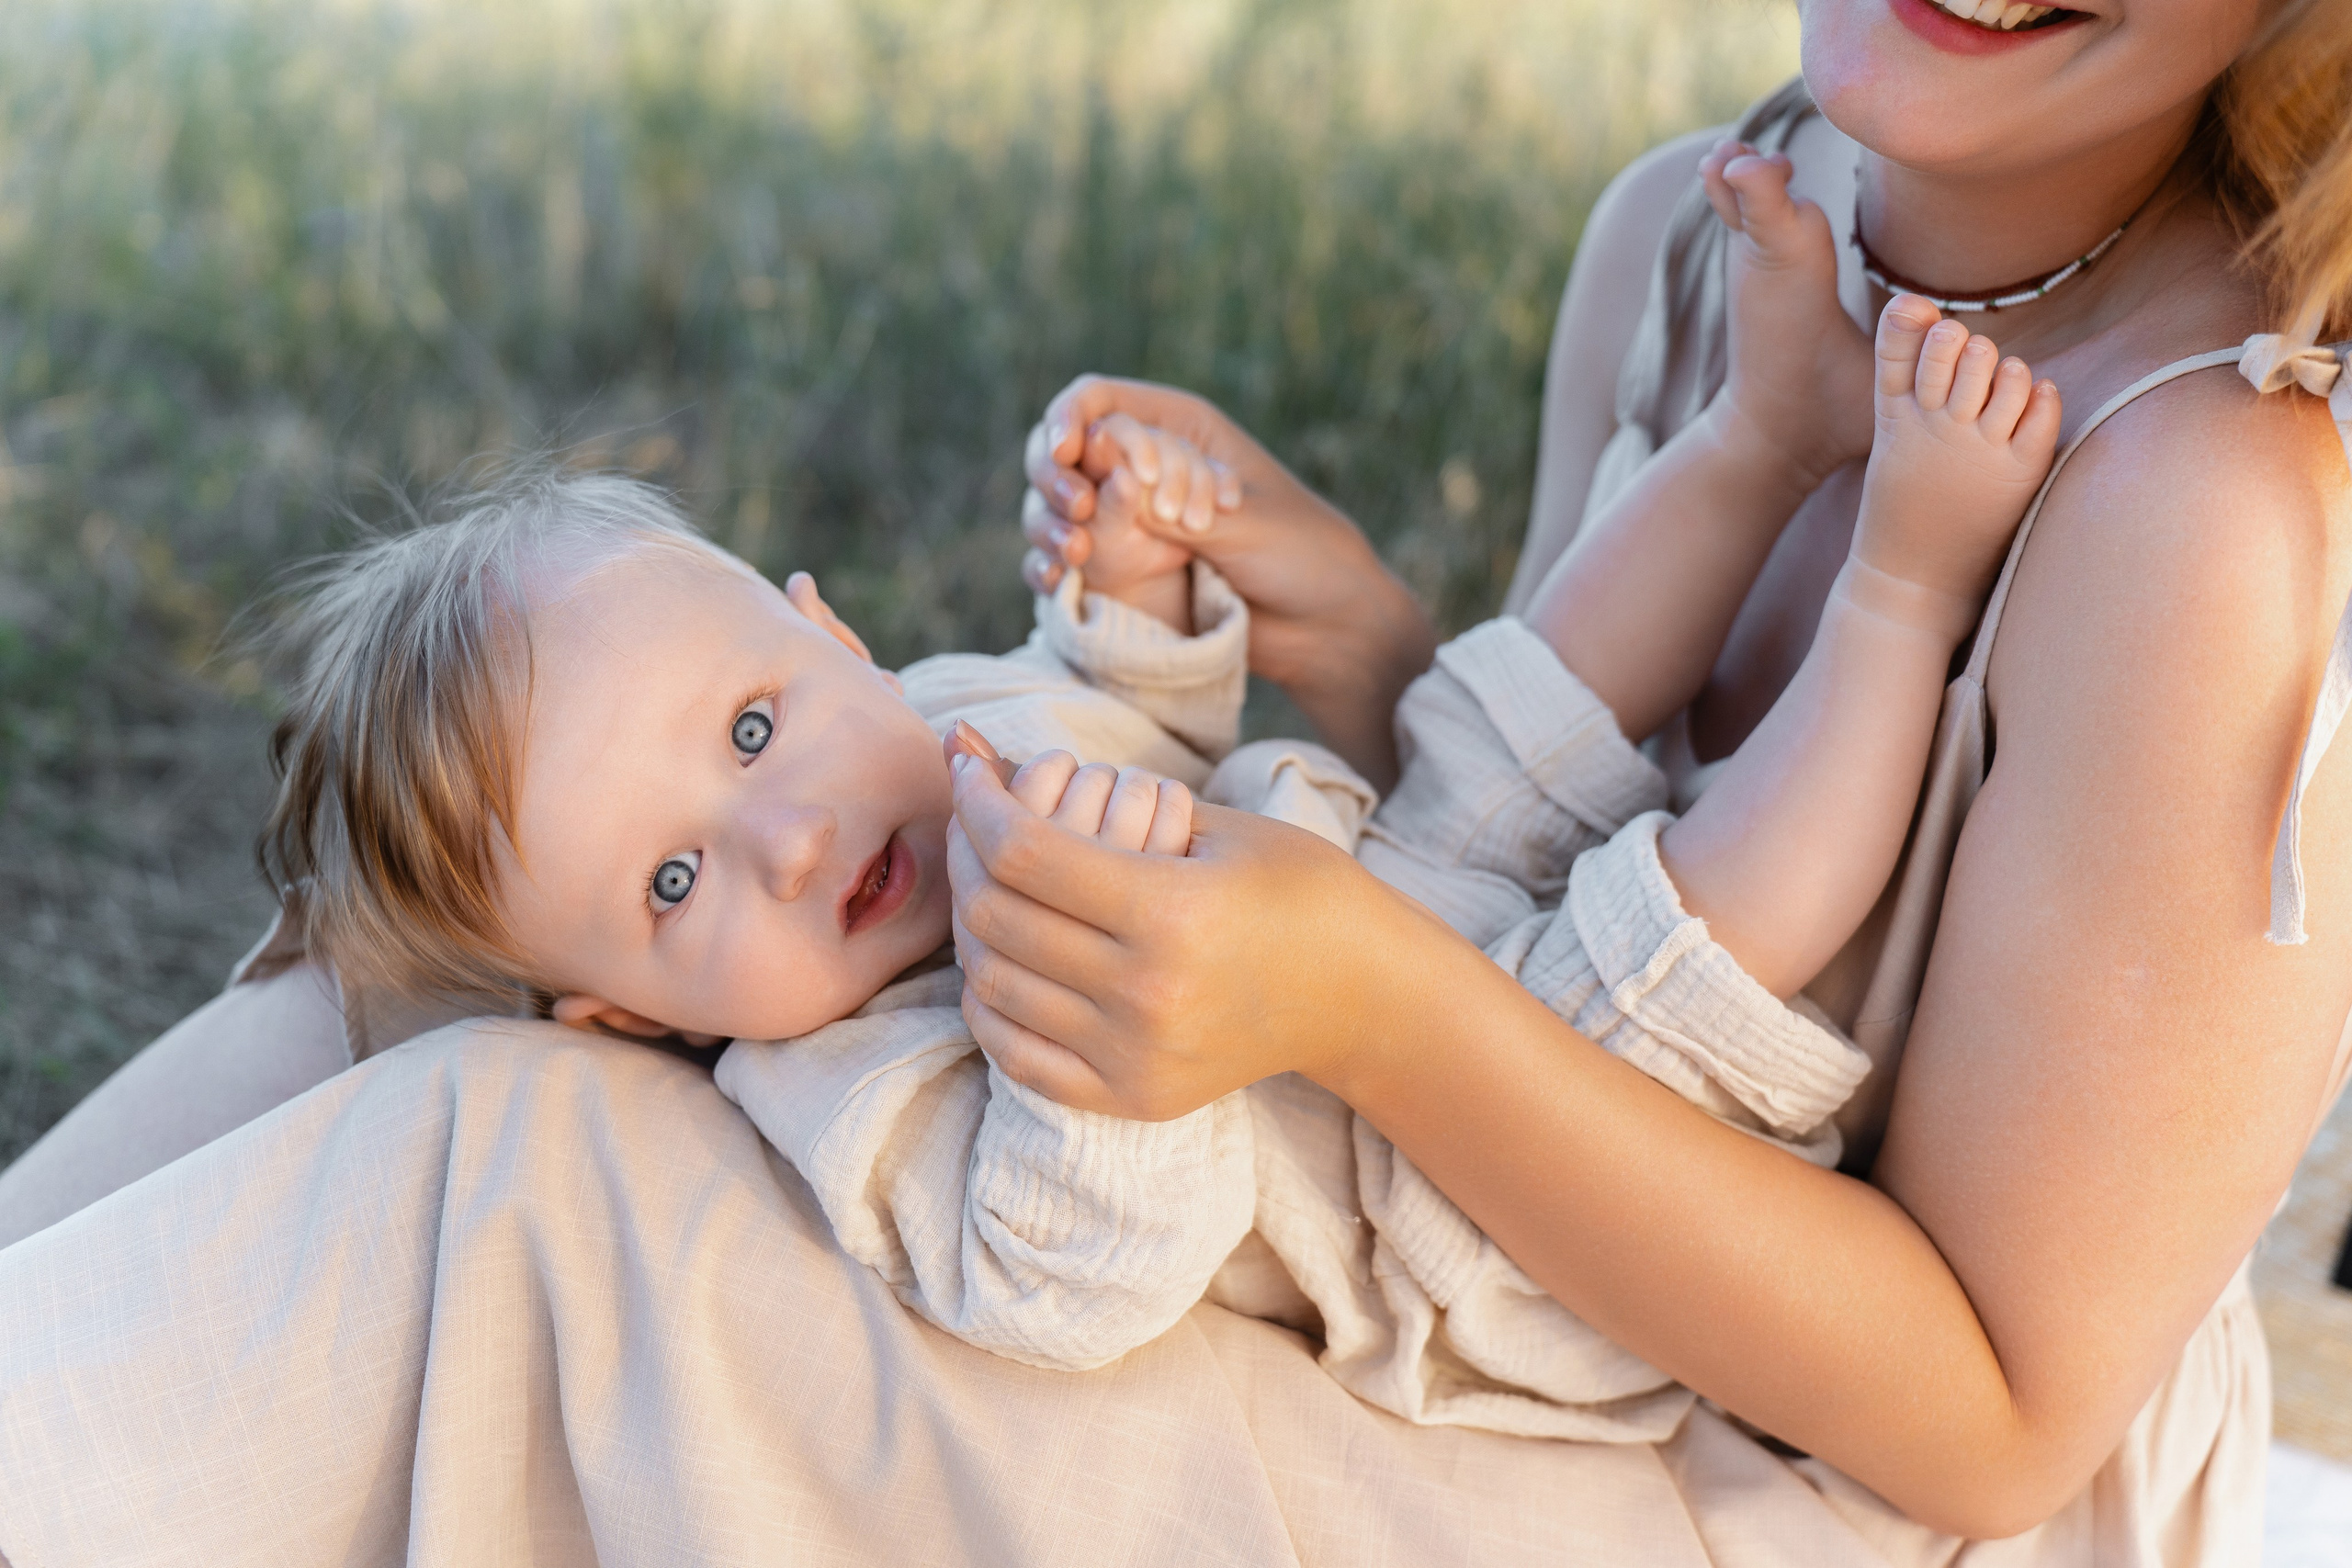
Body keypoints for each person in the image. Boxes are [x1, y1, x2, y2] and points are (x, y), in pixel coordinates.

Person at [1, 1, 2346, 1560]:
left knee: (521, 1169)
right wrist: (1356, 636)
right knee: (413, 964)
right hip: (1424, 1252)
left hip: (1745, 1472)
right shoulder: (1686, 229)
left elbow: (1989, 1417)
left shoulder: (2212, 515)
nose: (780, 808)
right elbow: (1533, 853)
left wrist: (1356, 996)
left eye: (757, 733)